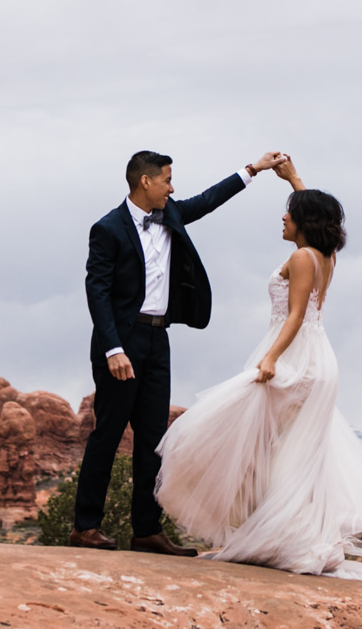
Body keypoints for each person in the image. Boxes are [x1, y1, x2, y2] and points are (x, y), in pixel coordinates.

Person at [154, 157, 362, 578]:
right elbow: (314, 216)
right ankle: (290, 535)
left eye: (289, 214)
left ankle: (282, 538)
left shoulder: (301, 260)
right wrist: (293, 180)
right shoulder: (324, 255)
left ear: (304, 222)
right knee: (290, 452)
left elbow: (294, 315)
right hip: (317, 356)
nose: (283, 216)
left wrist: (271, 357)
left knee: (246, 437)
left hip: (296, 356)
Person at [71, 148, 288, 553]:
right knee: (108, 433)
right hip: (122, 341)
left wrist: (253, 169)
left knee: (155, 438)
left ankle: (146, 531)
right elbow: (96, 292)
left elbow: (206, 201)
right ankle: (85, 526)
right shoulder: (107, 229)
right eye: (168, 180)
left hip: (158, 337)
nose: (173, 188)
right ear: (145, 182)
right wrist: (113, 349)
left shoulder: (170, 214)